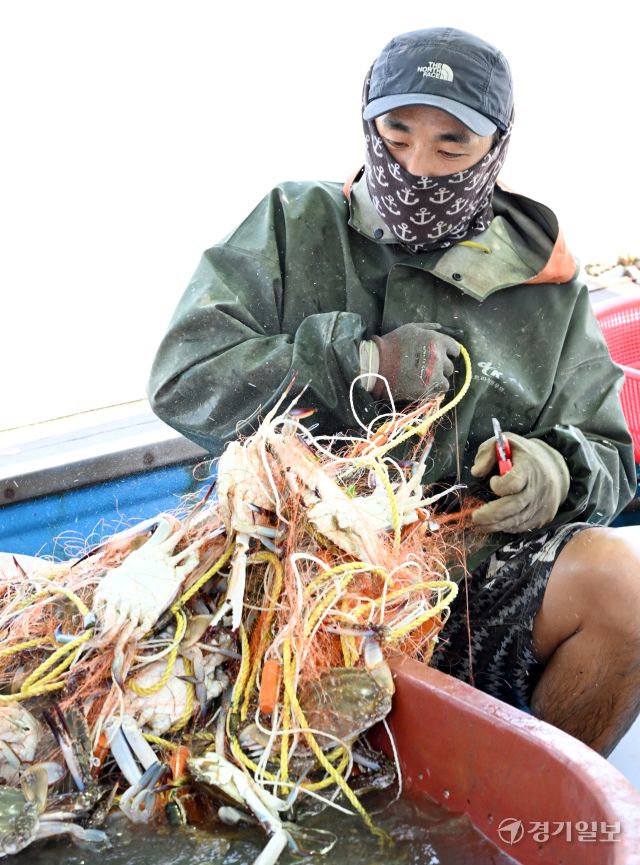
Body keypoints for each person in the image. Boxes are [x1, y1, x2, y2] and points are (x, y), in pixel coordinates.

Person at [148, 27, 640, 756]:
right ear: (367, 121)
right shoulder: (294, 223)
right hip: (292, 570)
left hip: (464, 579)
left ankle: (522, 816)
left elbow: (611, 455)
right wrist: (354, 362)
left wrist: (554, 471)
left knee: (626, 594)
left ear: (497, 149)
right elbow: (183, 377)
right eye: (396, 133)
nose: (415, 166)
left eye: (451, 148)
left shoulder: (545, 281)